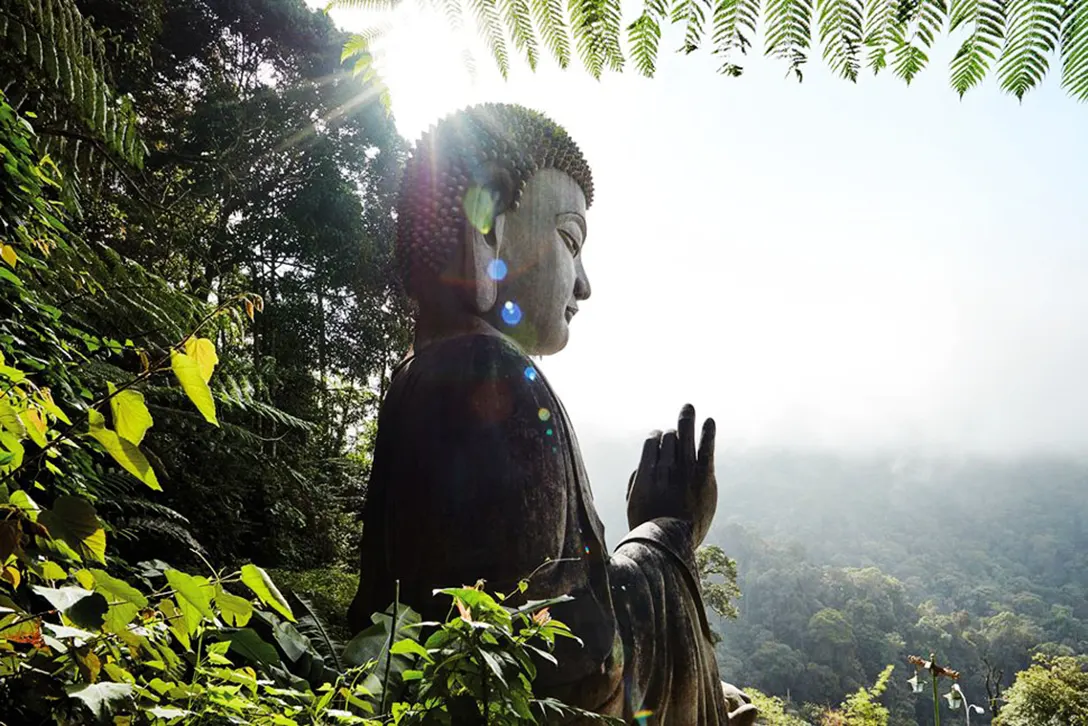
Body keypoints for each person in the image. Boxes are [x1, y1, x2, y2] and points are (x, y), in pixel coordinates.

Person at [349, 103, 757, 725]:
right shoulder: (492, 375)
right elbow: (557, 660)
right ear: (486, 229)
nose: (585, 283)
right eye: (571, 239)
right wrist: (667, 531)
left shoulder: (420, 377)